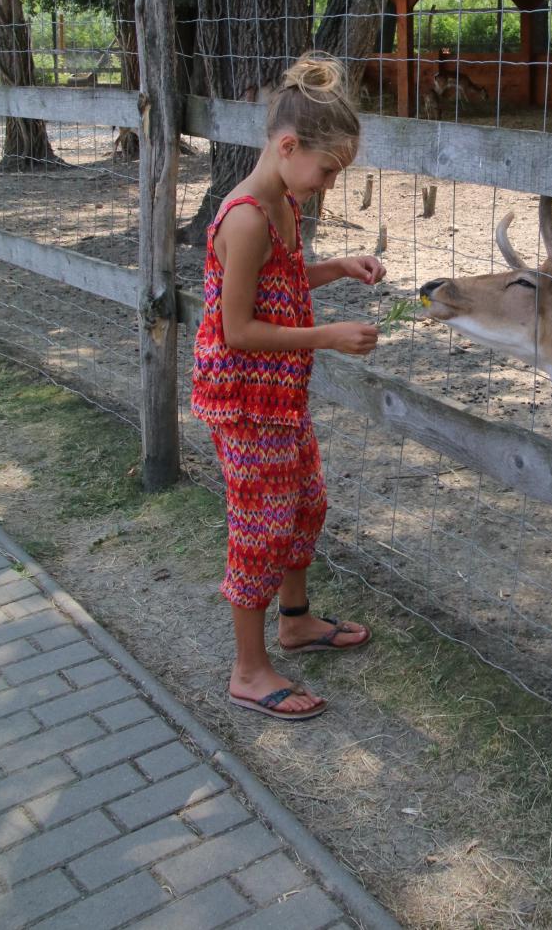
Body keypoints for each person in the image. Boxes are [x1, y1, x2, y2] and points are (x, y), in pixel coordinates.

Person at [191, 55, 384, 721]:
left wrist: (338, 266)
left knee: (307, 503)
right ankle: (248, 668)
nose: (330, 183)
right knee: (260, 527)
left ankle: (295, 619)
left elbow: (290, 275)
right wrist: (327, 336)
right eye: (329, 169)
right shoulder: (244, 217)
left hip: (280, 398)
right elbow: (239, 329)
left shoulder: (284, 202)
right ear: (287, 146)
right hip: (243, 402)